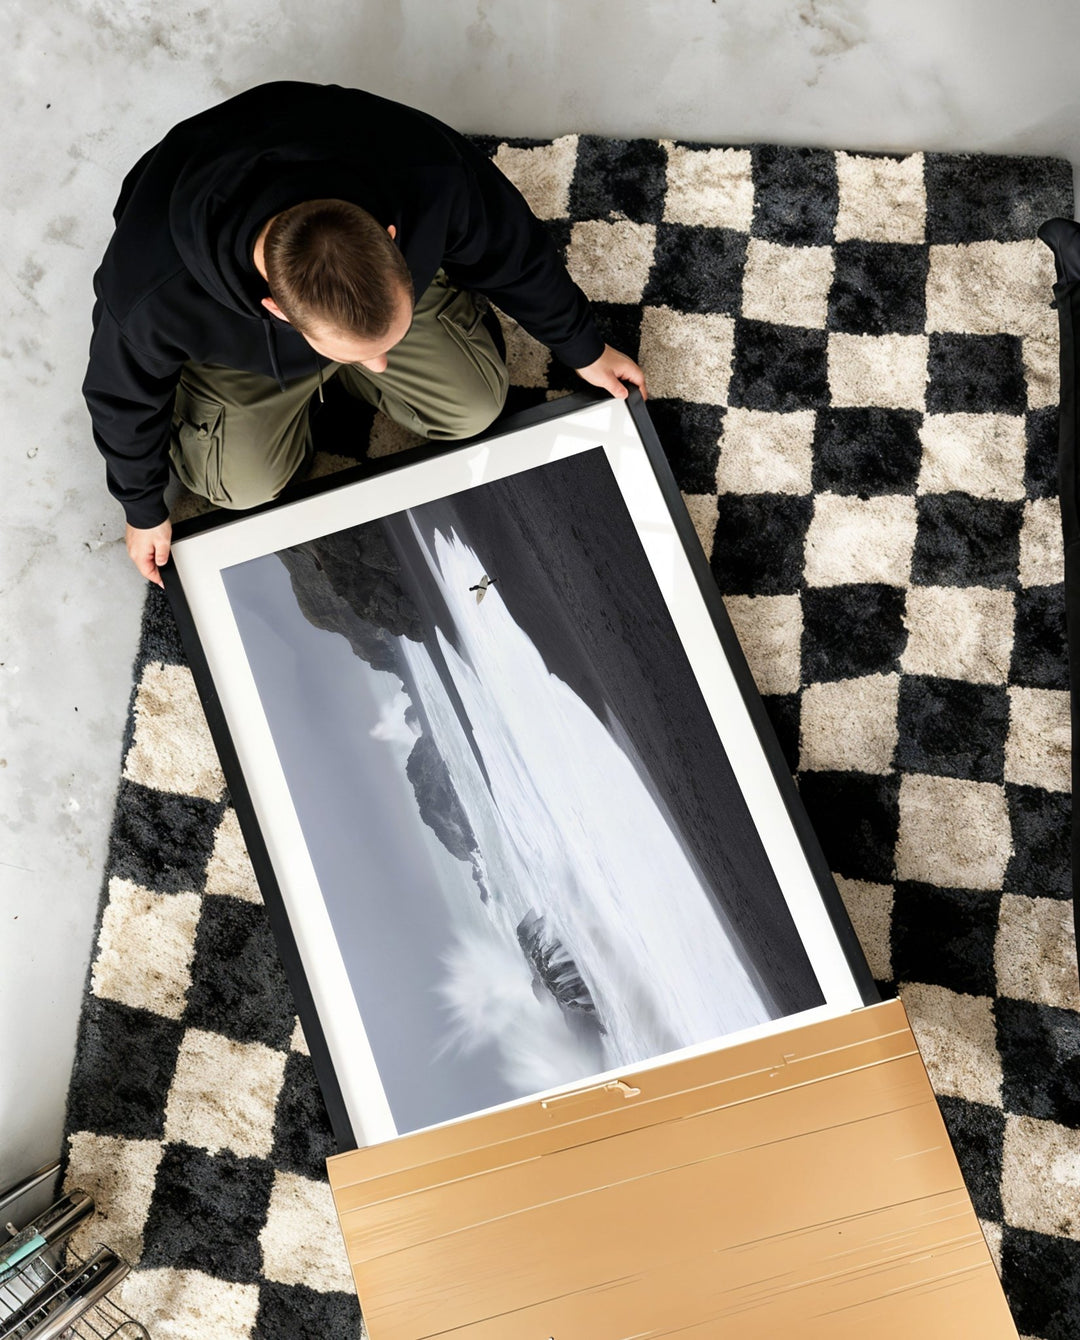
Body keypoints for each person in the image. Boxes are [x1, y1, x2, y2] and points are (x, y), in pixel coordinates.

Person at [83, 82, 647, 587]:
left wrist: (583, 347)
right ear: (277, 311)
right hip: (236, 356)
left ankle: (376, 330)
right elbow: (120, 395)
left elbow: (514, 251)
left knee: (474, 407)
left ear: (393, 238)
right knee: (241, 488)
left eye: (384, 346)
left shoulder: (428, 169)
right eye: (361, 355)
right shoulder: (151, 293)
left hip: (362, 265)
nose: (379, 365)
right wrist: (141, 507)